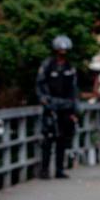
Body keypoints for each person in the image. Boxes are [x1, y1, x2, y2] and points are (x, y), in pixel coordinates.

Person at [36, 35, 79, 180]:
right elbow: (40, 85)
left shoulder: (70, 67)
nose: (63, 54)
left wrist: (74, 110)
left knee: (62, 139)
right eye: (60, 51)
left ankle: (59, 169)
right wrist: (45, 100)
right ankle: (44, 170)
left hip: (65, 108)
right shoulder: (47, 65)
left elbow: (73, 90)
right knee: (48, 139)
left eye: (65, 51)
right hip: (51, 107)